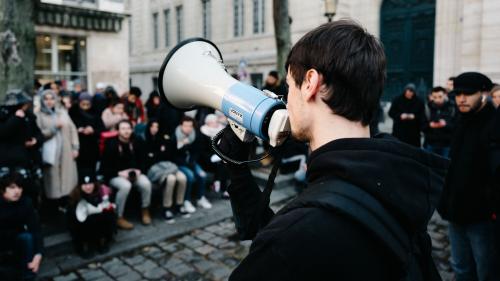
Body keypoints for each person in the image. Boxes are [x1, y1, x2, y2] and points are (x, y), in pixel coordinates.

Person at [217, 20, 448, 281]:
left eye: (289, 87)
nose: (285, 100)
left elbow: (293, 242)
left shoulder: (293, 237)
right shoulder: (399, 181)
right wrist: (238, 173)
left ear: (310, 83)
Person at [437, 72, 500, 281]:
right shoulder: (462, 119)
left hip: (483, 217)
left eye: (468, 93)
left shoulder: (495, 123)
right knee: (461, 267)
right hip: (456, 212)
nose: (461, 98)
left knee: (487, 271)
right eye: (457, 94)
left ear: (483, 93)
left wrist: (491, 209)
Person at [100, 120, 152, 230]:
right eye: (123, 129)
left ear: (132, 129)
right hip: (116, 175)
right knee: (125, 186)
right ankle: (119, 216)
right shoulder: (111, 144)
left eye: (128, 128)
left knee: (146, 183)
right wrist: (119, 173)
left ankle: (145, 209)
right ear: (118, 131)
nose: (126, 131)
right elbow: (104, 168)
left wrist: (139, 170)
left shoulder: (137, 141)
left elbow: (145, 160)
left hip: (135, 173)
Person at [36, 89, 79, 211]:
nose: (49, 101)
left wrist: (75, 147)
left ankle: (67, 204)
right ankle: (53, 208)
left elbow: (72, 130)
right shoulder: (39, 115)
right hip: (50, 152)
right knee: (52, 179)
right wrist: (54, 129)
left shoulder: (62, 112)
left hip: (66, 151)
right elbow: (39, 134)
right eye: (46, 99)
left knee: (68, 179)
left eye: (52, 98)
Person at [0, 90, 44, 203]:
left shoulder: (29, 116)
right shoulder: (3, 115)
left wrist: (35, 141)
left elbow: (38, 134)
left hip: (27, 160)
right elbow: (3, 133)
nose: (27, 106)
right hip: (8, 162)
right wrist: (16, 119)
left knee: (28, 192)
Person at [144, 120, 189, 223]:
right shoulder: (144, 139)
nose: (154, 129)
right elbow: (148, 159)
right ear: (149, 127)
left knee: (182, 178)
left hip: (168, 166)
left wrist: (155, 154)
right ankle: (166, 208)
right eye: (152, 126)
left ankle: (179, 204)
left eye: (157, 127)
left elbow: (168, 154)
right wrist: (159, 154)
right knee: (171, 179)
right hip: (156, 169)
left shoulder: (163, 138)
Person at [0, 172, 42, 281]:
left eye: (19, 187)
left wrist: (38, 254)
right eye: (12, 187)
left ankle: (28, 276)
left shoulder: (26, 202)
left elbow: (36, 228)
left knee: (27, 237)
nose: (17, 191)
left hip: (16, 240)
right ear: (3, 189)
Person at [67, 171, 116, 258]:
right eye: (85, 184)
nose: (88, 187)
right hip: (84, 226)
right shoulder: (75, 197)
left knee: (108, 215)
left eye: (90, 183)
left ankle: (102, 240)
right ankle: (85, 244)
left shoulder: (101, 193)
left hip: (98, 223)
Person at [175, 116, 212, 212]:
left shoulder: (194, 135)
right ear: (181, 126)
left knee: (202, 175)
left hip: (191, 162)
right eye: (185, 126)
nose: (188, 128)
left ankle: (200, 198)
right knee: (190, 176)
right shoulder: (175, 136)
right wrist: (183, 145)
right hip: (180, 164)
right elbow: (173, 155)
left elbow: (196, 151)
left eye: (190, 126)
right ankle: (186, 201)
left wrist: (192, 161)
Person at [69, 92, 104, 174]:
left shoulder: (95, 113)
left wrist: (93, 130)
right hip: (78, 145)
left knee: (91, 169)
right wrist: (77, 129)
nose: (85, 107)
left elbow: (102, 129)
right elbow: (69, 129)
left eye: (87, 104)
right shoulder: (73, 112)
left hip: (92, 146)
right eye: (83, 104)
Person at [199, 113, 229, 197]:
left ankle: (218, 183)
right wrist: (213, 157)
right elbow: (202, 150)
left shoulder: (221, 130)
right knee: (222, 164)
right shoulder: (203, 132)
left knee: (224, 163)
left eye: (217, 121)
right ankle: (221, 186)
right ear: (209, 123)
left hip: (219, 157)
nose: (217, 123)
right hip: (207, 159)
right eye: (215, 121)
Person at [423, 86, 456, 158]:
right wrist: (430, 125)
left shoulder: (453, 107)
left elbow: (457, 126)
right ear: (431, 96)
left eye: (440, 96)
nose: (437, 99)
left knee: (445, 167)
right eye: (435, 97)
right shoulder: (427, 107)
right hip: (430, 143)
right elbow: (421, 125)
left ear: (445, 95)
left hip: (447, 145)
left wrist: (446, 124)